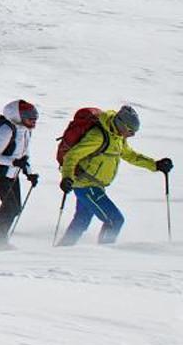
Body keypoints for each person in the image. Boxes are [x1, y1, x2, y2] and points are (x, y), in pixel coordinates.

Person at [57, 104, 172, 246]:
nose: (132, 135)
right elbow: (71, 156)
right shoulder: (98, 136)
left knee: (82, 220)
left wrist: (155, 165)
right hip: (86, 186)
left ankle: (63, 250)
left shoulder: (117, 137)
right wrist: (67, 177)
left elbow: (130, 155)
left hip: (94, 186)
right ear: (121, 125)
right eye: (130, 131)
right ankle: (105, 255)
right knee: (115, 220)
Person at [0, 100, 40, 243]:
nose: (33, 122)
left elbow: (24, 154)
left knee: (15, 208)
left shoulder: (26, 131)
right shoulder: (6, 129)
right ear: (18, 116)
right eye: (30, 118)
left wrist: (29, 172)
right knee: (11, 208)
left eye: (35, 119)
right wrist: (14, 162)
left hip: (12, 172)